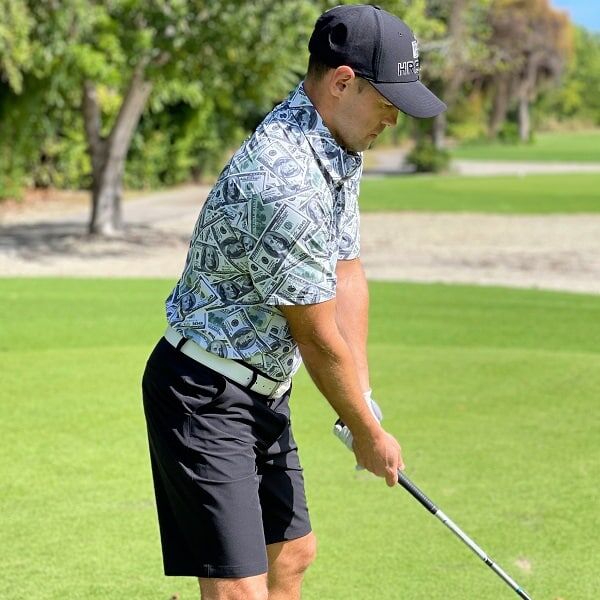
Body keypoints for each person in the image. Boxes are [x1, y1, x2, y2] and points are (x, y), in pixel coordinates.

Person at [141, 5, 446, 600]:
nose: (393, 118)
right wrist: (366, 433)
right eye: (389, 101)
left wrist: (362, 400)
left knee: (293, 556)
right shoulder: (283, 181)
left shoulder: (337, 145)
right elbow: (316, 335)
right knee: (240, 589)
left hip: (263, 390)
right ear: (343, 82)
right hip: (203, 393)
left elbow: (346, 270)